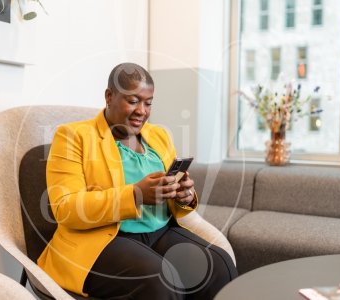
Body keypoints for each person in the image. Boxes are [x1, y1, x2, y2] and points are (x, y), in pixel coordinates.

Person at [38, 63, 237, 299]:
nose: (142, 110)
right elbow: (64, 208)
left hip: (160, 231)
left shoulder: (159, 135)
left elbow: (172, 199)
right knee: (161, 281)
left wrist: (184, 196)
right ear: (109, 96)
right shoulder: (74, 136)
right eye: (133, 101)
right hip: (103, 239)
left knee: (219, 265)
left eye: (148, 102)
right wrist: (135, 195)